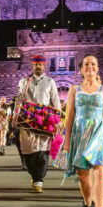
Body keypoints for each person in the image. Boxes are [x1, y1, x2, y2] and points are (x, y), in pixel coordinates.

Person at [63, 55, 103, 207]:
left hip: (99, 134)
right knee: (83, 175)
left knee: (99, 172)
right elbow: (70, 116)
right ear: (81, 69)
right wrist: (66, 140)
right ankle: (88, 202)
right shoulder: (74, 90)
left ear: (97, 68)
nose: (90, 67)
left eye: (93, 64)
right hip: (79, 134)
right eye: (86, 64)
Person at [15, 55, 61, 193]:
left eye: (40, 64)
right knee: (27, 150)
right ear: (32, 65)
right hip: (28, 119)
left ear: (44, 66)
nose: (38, 67)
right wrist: (15, 117)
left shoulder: (50, 82)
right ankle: (34, 174)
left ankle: (38, 180)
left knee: (43, 149)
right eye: (36, 64)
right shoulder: (24, 81)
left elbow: (55, 100)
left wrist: (58, 119)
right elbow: (19, 100)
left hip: (44, 119)